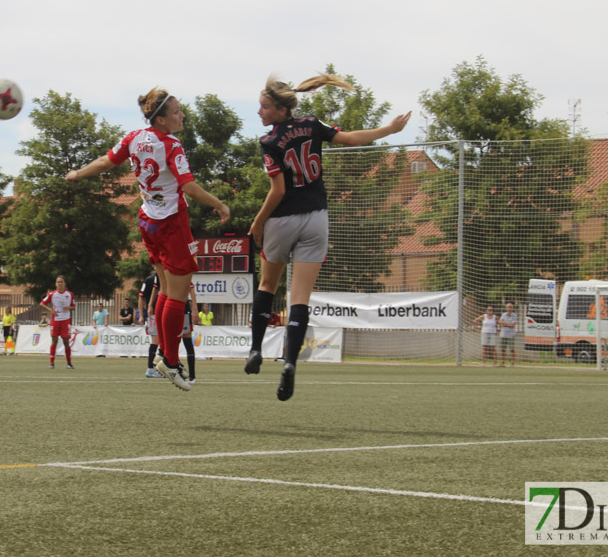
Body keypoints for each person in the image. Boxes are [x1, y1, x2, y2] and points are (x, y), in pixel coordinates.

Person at [245, 73, 410, 400]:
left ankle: (255, 350)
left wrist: (258, 222)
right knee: (300, 297)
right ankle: (290, 362)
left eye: (263, 107)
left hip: (282, 220)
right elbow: (351, 139)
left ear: (280, 109)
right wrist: (390, 130)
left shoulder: (269, 142)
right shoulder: (310, 124)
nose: (259, 112)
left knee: (267, 285)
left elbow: (277, 190)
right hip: (317, 218)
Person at [66, 87, 230, 391]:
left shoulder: (133, 138)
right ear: (163, 119)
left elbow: (105, 162)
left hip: (147, 221)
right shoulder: (171, 145)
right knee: (177, 296)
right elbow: (190, 188)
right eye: (177, 111)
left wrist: (78, 173)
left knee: (166, 290)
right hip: (171, 222)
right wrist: (219, 204)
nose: (182, 115)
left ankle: (165, 358)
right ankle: (169, 360)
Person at [41, 275, 75, 369]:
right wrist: (50, 310)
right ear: (56, 284)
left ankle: (69, 363)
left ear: (64, 283)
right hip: (55, 320)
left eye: (61, 282)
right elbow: (42, 303)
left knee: (66, 342)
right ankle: (51, 363)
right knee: (54, 341)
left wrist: (68, 308)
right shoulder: (52, 294)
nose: (60, 283)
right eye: (58, 282)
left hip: (66, 320)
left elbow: (74, 307)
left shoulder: (70, 294)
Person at [498, 302, 518, 366]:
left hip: (511, 334)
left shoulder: (514, 315)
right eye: (508, 307)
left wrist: (505, 323)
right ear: (506, 308)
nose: (509, 309)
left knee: (512, 349)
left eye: (511, 307)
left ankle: (512, 363)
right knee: (503, 349)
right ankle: (503, 362)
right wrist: (508, 324)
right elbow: (500, 322)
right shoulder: (503, 314)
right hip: (503, 334)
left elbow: (513, 325)